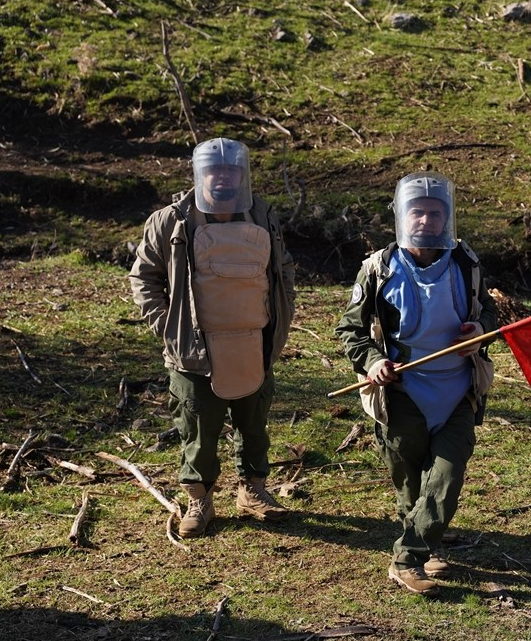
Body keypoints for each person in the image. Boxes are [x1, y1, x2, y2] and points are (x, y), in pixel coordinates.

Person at [335, 171, 496, 596]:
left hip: (458, 390)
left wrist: (478, 327)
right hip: (402, 394)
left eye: (435, 212)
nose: (426, 220)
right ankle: (428, 543)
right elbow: (349, 330)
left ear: (447, 218)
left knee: (445, 475)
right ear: (403, 216)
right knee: (411, 484)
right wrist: (373, 361)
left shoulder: (466, 263)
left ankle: (407, 559)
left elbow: (491, 313)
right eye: (417, 212)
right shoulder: (379, 267)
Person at [129, 137, 296, 538]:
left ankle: (253, 490)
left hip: (253, 342)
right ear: (201, 173)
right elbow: (144, 277)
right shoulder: (172, 220)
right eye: (215, 170)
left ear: (242, 173)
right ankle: (199, 500)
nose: (223, 177)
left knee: (254, 424)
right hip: (194, 351)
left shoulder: (262, 214)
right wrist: (168, 326)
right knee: (198, 430)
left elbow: (283, 267)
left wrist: (281, 316)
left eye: (231, 170)